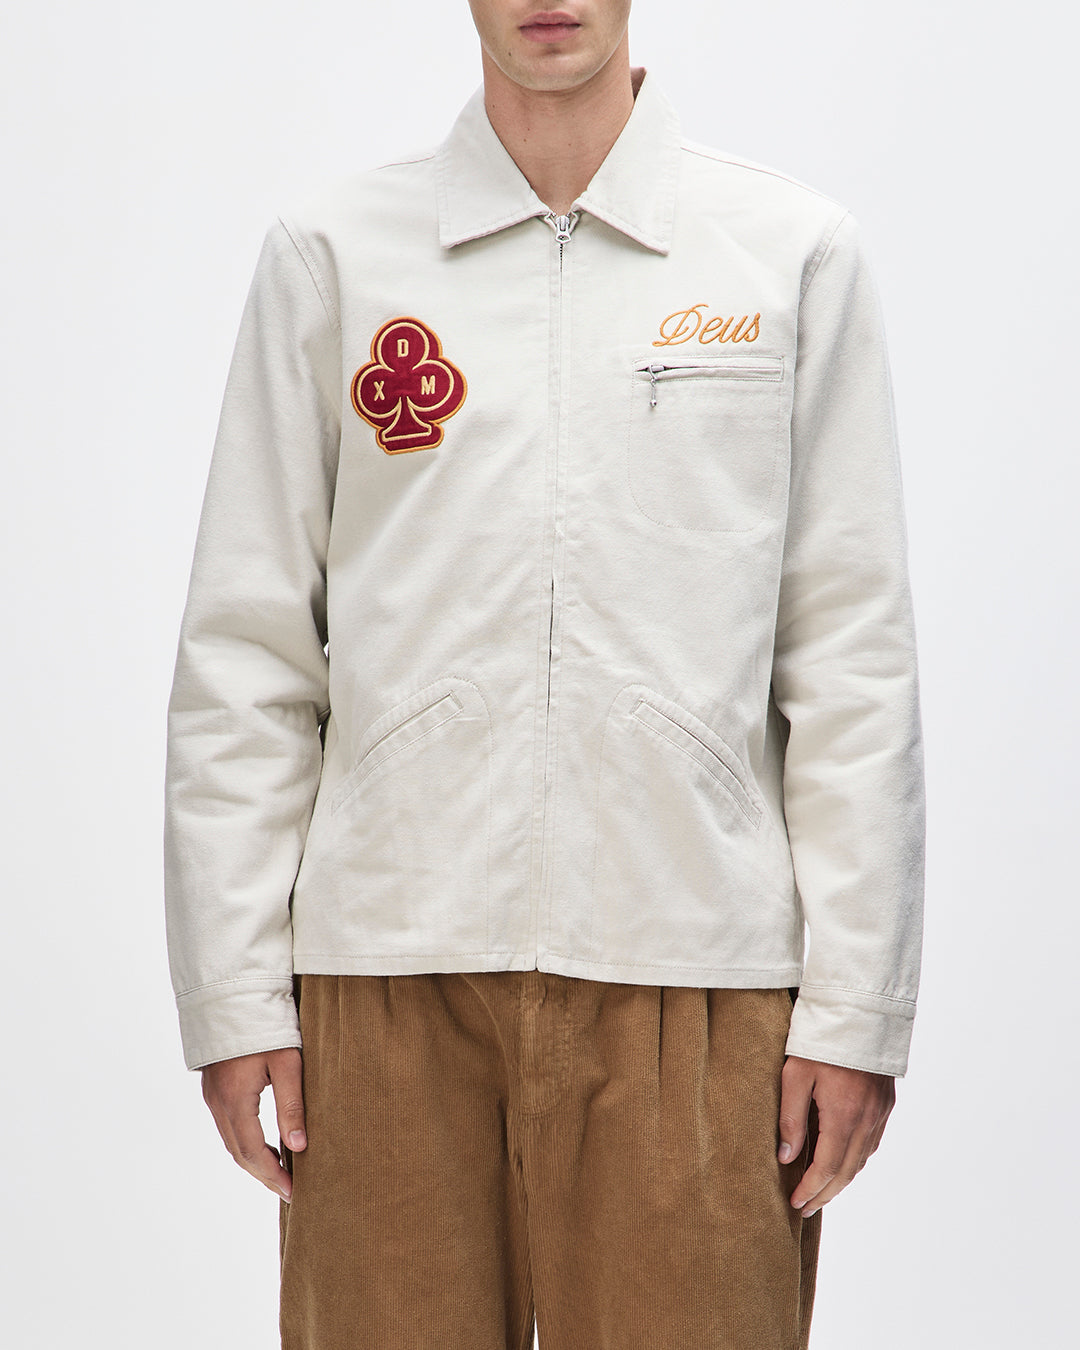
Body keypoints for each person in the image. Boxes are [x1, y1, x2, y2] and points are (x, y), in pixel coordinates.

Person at [163, 3, 926, 1346]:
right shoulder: (333, 258)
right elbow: (247, 650)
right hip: (385, 979)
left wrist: (858, 1009)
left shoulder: (790, 254)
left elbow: (850, 657)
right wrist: (232, 993)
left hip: (700, 978)